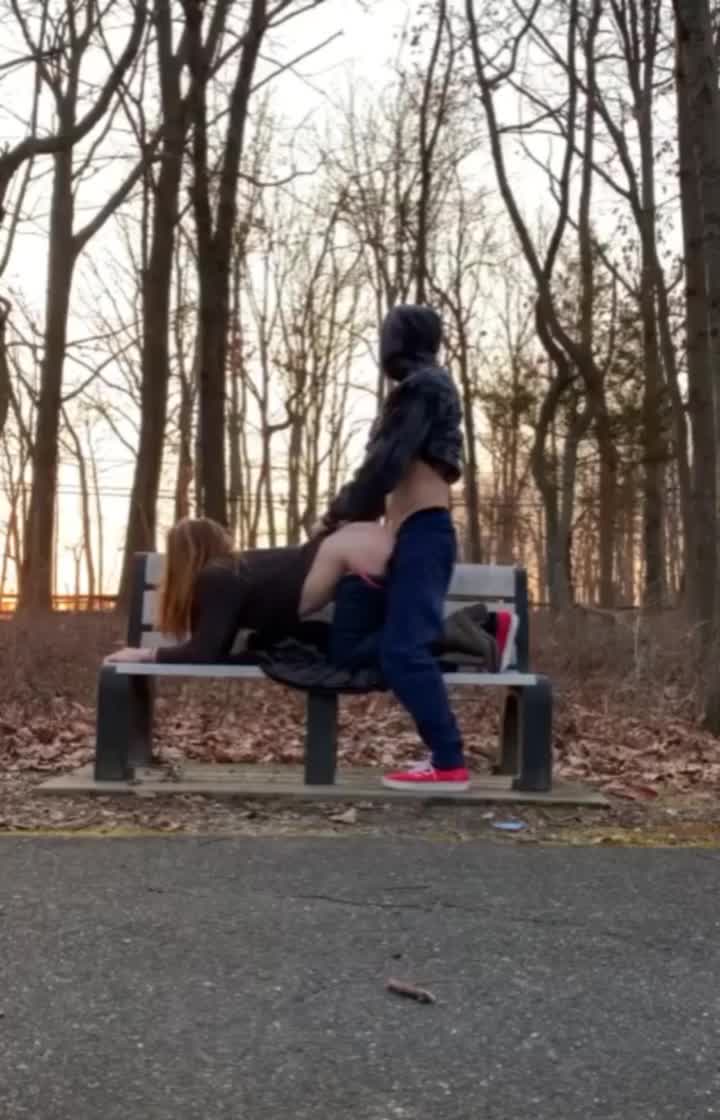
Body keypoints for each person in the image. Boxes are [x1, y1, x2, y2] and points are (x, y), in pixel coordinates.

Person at [314, 303, 516, 793]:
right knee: (354, 647)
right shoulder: (421, 389)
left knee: (404, 652)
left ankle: (448, 761)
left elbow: (384, 465)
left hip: (424, 535)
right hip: (407, 537)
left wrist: (337, 515)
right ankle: (478, 627)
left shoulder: (424, 387)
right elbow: (386, 470)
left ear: (400, 340)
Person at [106, 516, 393, 664]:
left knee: (356, 653)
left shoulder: (218, 576)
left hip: (339, 555)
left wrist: (145, 654)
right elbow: (215, 646)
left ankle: (409, 639)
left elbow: (204, 652)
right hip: (342, 557)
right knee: (350, 650)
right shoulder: (228, 574)